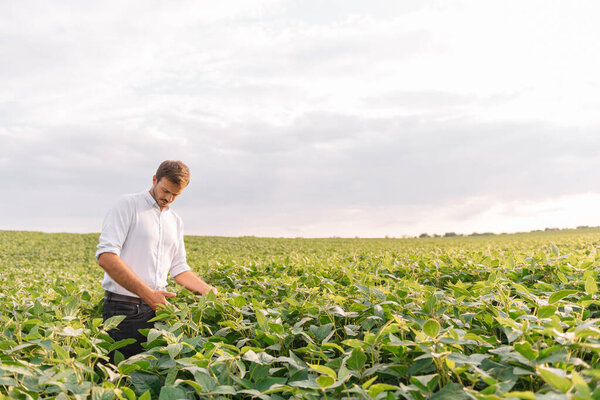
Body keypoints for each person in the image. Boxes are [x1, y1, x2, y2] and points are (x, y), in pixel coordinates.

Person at [96, 160, 216, 361]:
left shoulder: (175, 221)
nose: (168, 198)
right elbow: (106, 257)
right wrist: (147, 294)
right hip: (123, 309)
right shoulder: (128, 205)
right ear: (154, 179)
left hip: (158, 311)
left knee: (151, 372)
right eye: (165, 190)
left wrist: (210, 292)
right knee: (123, 376)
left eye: (175, 195)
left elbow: (179, 268)